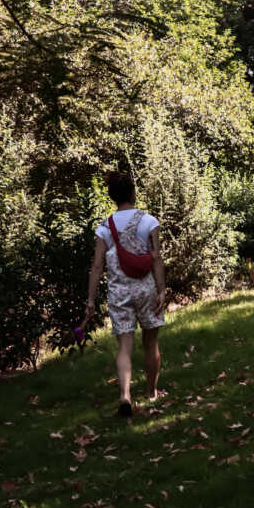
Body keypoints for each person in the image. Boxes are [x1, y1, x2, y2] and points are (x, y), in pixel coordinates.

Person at [83, 172, 167, 418]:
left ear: (112, 197)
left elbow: (97, 266)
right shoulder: (148, 221)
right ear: (132, 193)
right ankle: (151, 393)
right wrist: (161, 289)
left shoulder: (104, 227)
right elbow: (156, 258)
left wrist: (90, 298)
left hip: (119, 292)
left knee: (124, 346)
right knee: (151, 343)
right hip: (146, 289)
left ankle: (125, 395)